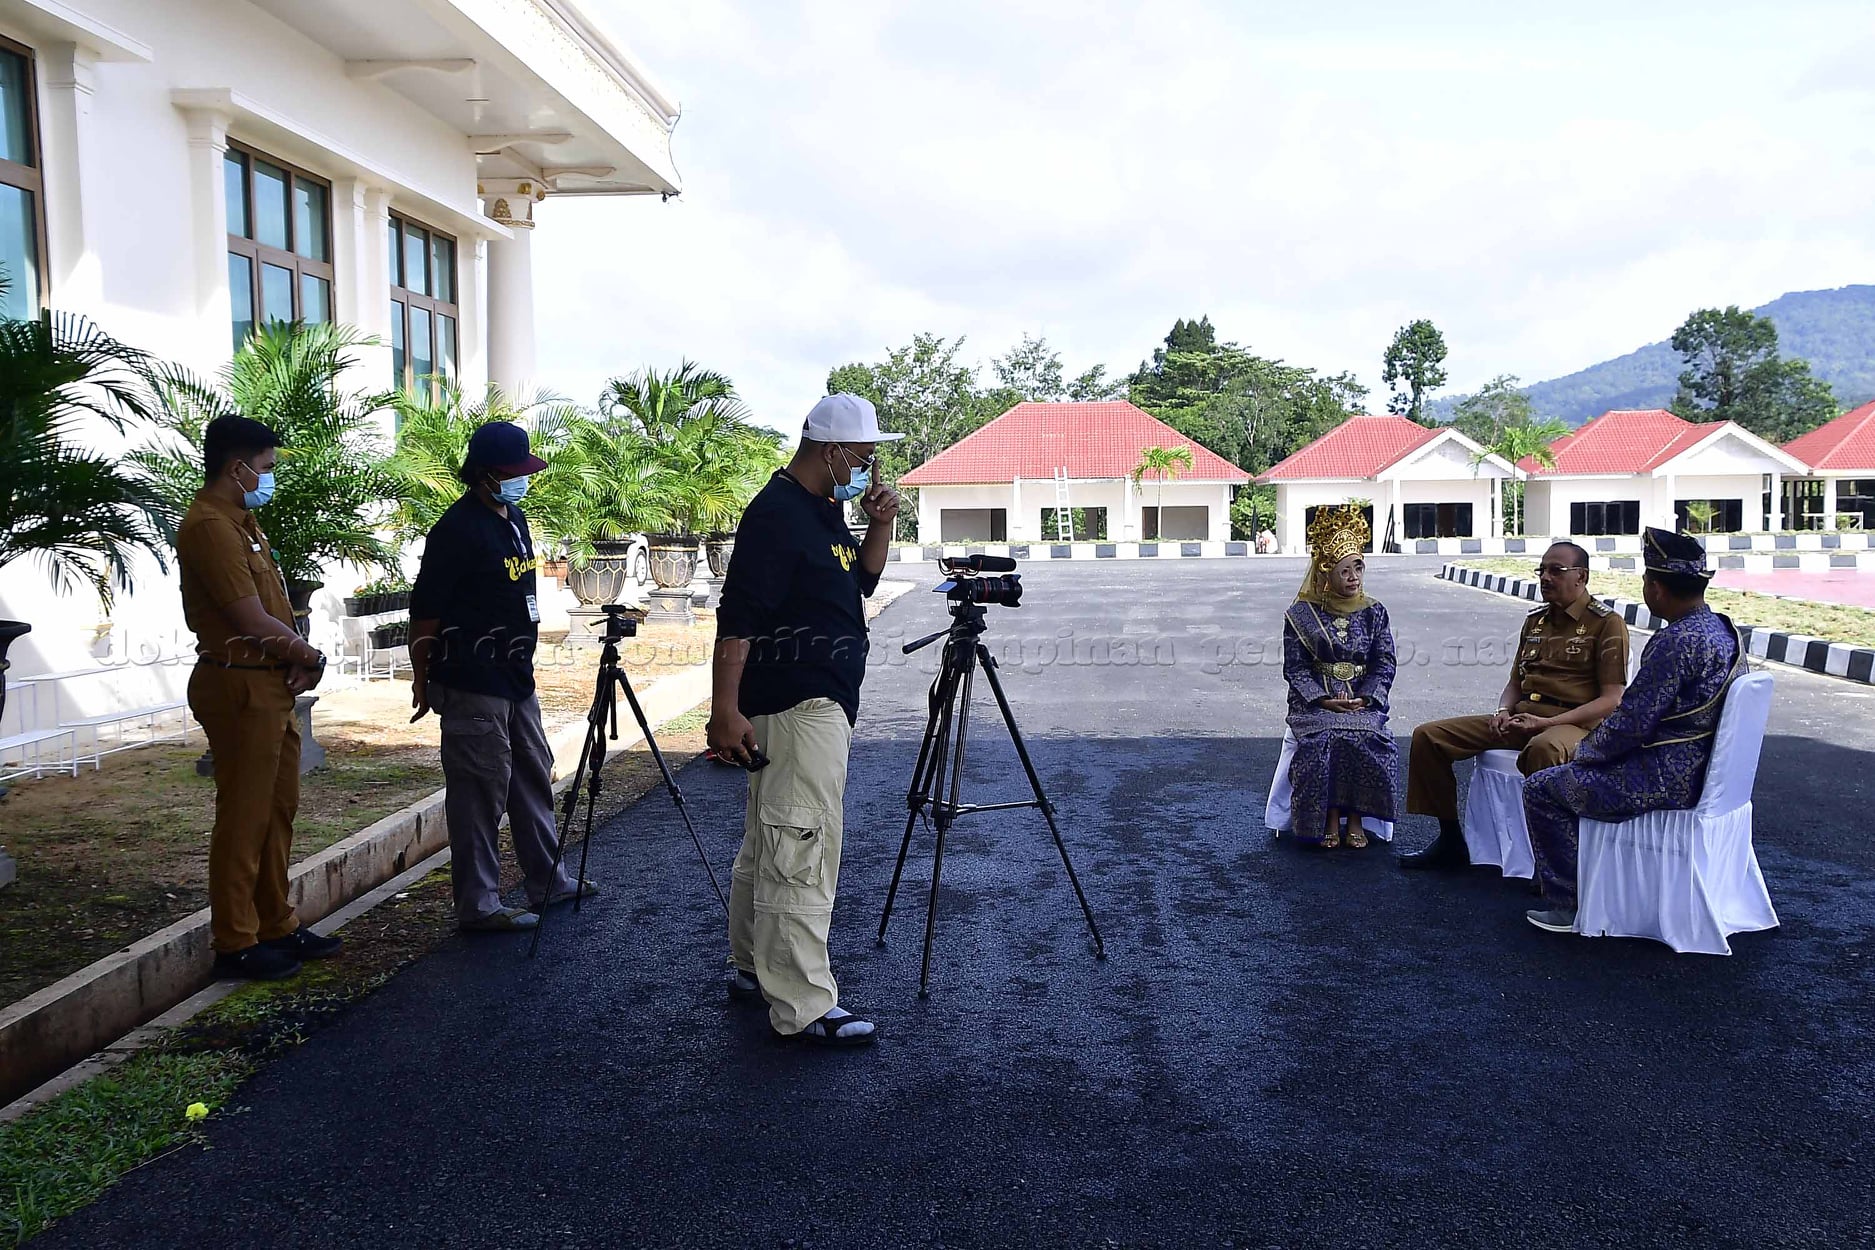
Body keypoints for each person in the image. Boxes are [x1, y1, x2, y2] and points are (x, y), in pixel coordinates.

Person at [707, 393, 902, 1047]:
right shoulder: (778, 515)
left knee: (768, 842)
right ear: (831, 451)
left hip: (810, 702)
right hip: (796, 704)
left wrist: (878, 524)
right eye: (863, 456)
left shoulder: (822, 511)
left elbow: (861, 583)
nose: (867, 467)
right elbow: (738, 616)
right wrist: (723, 710)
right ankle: (802, 1004)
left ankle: (748, 967)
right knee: (801, 846)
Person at [408, 420, 591, 932]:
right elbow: (425, 612)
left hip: (516, 677)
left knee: (533, 776)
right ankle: (480, 905)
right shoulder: (456, 530)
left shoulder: (515, 518)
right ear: (485, 474)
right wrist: (422, 676)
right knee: (478, 792)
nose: (521, 481)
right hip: (472, 679)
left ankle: (547, 880)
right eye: (512, 474)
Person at [176, 415, 341, 980]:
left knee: (277, 811)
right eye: (265, 469)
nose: (268, 479)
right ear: (235, 467)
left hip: (268, 681)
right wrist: (309, 656)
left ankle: (277, 923)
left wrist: (295, 656)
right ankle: (235, 941)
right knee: (245, 817)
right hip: (237, 682)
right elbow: (246, 617)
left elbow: (272, 610)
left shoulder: (242, 520)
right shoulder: (209, 526)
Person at [1523, 529, 1746, 933]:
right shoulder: (1723, 630)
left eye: (1646, 581)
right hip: (1704, 770)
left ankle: (1567, 904)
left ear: (1657, 588)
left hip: (1664, 777)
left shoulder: (1675, 641)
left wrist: (1585, 752)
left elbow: (1631, 724)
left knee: (1542, 788)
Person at [1399, 541, 1630, 870]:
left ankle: (1551, 864)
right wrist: (1502, 711)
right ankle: (1449, 840)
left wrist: (1546, 724)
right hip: (1525, 717)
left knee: (1544, 749)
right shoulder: (1536, 621)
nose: (1545, 577)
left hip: (1574, 726)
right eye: (1542, 570)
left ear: (1582, 576)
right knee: (1428, 737)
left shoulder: (1606, 624)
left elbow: (1611, 699)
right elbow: (1515, 683)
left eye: (1556, 571)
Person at [1279, 504, 1398, 848]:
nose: (1353, 578)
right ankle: (1329, 816)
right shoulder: (1300, 616)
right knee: (1324, 737)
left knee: (1368, 737)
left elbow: (1385, 661)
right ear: (1324, 574)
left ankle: (1356, 817)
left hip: (1362, 696)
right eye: (1344, 571)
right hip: (1315, 701)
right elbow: (1296, 668)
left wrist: (1369, 696)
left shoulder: (1375, 612)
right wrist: (1323, 699)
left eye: (1358, 568)